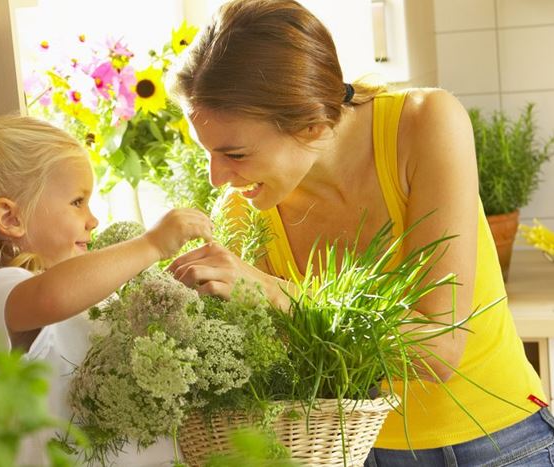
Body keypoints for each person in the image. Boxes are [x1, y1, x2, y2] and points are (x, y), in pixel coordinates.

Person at [165, 0, 552, 465]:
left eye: (236, 153)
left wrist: (271, 292)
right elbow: (287, 365)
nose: (216, 177)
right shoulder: (245, 208)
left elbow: (439, 350)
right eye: (207, 152)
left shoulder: (424, 123)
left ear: (310, 123)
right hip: (356, 451)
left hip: (498, 443)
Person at [0, 115, 212, 465]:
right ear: (10, 218)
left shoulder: (87, 289)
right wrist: (152, 244)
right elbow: (53, 297)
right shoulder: (0, 290)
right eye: (78, 202)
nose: (92, 219)